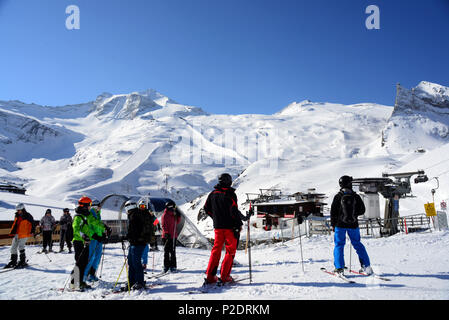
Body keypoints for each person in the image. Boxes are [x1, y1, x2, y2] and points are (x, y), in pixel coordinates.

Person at [203, 173, 249, 285]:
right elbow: (234, 212)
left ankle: (210, 276)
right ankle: (224, 277)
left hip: (218, 228)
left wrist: (216, 218)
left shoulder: (212, 194)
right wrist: (239, 223)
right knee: (230, 252)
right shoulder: (230, 195)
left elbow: (206, 209)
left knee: (216, 251)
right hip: (230, 228)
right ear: (229, 182)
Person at [330, 175, 373, 275]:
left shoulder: (338, 196)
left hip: (340, 225)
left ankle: (339, 268)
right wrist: (353, 214)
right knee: (358, 244)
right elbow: (362, 210)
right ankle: (366, 267)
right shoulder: (356, 196)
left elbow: (333, 212)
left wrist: (333, 224)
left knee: (339, 245)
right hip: (353, 224)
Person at [124, 199, 154, 290]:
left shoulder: (134, 215)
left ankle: (139, 282)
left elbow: (134, 231)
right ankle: (132, 281)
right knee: (131, 262)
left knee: (135, 263)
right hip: (137, 242)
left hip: (138, 242)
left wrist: (128, 237)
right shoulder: (136, 214)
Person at [70, 196, 95, 290]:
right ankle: (74, 284)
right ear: (84, 206)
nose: (90, 207)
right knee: (79, 263)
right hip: (78, 242)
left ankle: (80, 282)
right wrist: (83, 236)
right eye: (89, 205)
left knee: (84, 263)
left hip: (85, 242)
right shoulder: (78, 217)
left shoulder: (85, 216)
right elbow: (75, 229)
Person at [84, 199, 110, 283]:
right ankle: (85, 274)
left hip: (98, 238)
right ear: (95, 206)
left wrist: (103, 234)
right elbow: (92, 225)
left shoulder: (98, 214)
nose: (100, 207)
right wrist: (95, 234)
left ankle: (92, 273)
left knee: (98, 256)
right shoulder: (91, 213)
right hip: (93, 238)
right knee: (92, 256)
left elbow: (98, 225)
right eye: (99, 206)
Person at [4, 203, 35, 269]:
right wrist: (13, 231)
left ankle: (22, 261)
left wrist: (32, 231)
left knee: (21, 247)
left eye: (19, 210)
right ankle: (13, 261)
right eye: (17, 210)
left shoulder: (28, 215)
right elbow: (15, 224)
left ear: (23, 209)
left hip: (24, 234)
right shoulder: (17, 215)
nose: (18, 211)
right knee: (13, 247)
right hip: (17, 234)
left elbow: (33, 224)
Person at [161, 200, 181, 273]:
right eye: (170, 207)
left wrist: (178, 216)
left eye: (172, 207)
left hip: (173, 236)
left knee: (172, 251)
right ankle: (166, 266)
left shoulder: (173, 214)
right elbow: (163, 225)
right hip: (167, 236)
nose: (171, 208)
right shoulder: (165, 215)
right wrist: (166, 233)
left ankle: (173, 266)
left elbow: (177, 222)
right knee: (166, 251)